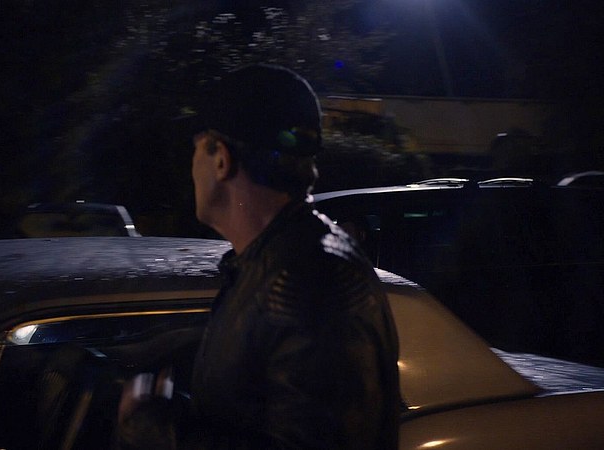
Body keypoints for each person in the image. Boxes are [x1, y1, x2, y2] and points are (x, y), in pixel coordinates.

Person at [118, 64, 401, 449]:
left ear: (221, 159)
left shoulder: (306, 282)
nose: (192, 167)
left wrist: (160, 433)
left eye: (196, 148)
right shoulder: (278, 262)